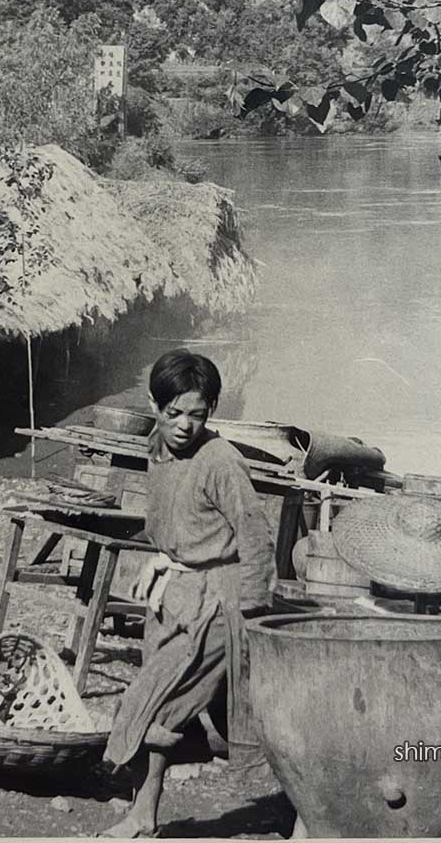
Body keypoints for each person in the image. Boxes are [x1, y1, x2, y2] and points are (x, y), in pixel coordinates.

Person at [101, 349, 275, 838]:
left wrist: (251, 615)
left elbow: (255, 536)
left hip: (219, 600)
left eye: (197, 415)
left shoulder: (221, 462)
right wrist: (162, 558)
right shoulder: (157, 447)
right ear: (153, 405)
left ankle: (143, 817)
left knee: (156, 703)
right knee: (185, 705)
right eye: (173, 413)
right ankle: (149, 807)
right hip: (176, 593)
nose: (184, 426)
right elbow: (175, 519)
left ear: (212, 410)